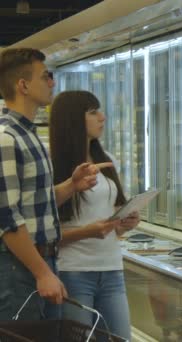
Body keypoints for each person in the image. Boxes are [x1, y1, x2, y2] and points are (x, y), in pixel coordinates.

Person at [0, 48, 109, 321]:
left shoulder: (30, 135)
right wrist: (42, 273)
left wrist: (72, 185)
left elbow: (37, 203)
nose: (52, 83)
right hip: (19, 269)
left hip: (42, 261)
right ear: (23, 85)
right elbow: (8, 219)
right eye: (46, 76)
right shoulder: (6, 138)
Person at [50, 90, 139, 341]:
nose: (103, 117)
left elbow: (111, 221)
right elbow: (44, 234)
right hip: (73, 272)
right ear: (72, 119)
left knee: (121, 338)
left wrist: (125, 223)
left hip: (111, 270)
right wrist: (87, 232)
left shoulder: (106, 160)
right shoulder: (53, 165)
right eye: (93, 112)